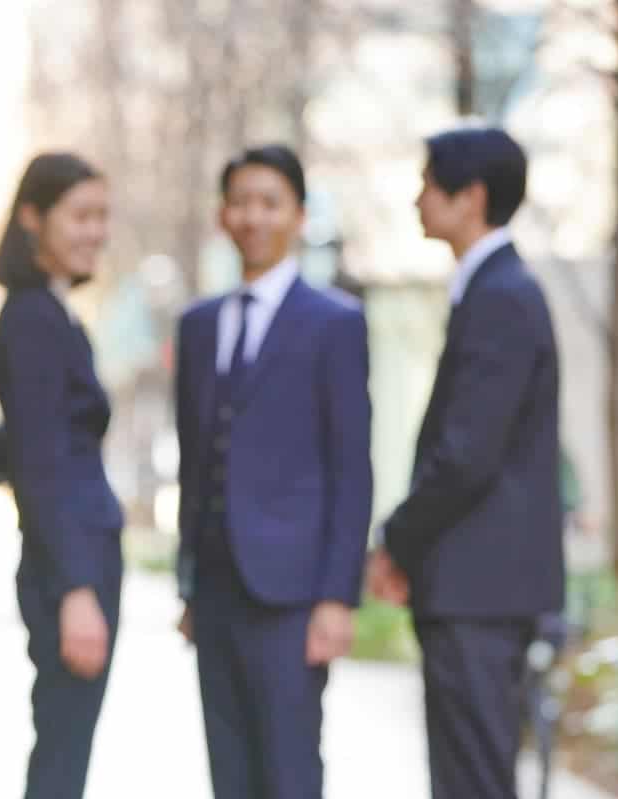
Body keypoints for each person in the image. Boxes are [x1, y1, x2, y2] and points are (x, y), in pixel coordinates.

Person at [367, 126, 565, 799]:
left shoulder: (502, 295)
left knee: (473, 781)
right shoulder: (491, 290)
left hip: (481, 591)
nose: (418, 197)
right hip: (478, 587)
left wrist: (395, 537)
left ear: (471, 196)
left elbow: (466, 455)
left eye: (429, 182)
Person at [173, 144, 372, 799]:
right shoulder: (199, 326)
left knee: (288, 772)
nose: (253, 216)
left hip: (292, 596)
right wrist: (191, 582)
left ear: (299, 215)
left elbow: (351, 468)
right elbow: (195, 459)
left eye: (270, 202)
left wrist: (337, 597)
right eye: (241, 202)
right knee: (228, 774)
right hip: (218, 591)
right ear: (223, 216)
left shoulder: (335, 322)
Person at [0, 152, 122, 799]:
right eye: (80, 215)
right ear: (32, 219)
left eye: (102, 216)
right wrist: (77, 588)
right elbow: (44, 461)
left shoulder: (43, 312)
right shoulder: (34, 318)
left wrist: (3, 466)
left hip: (71, 553)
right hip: (71, 562)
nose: (95, 230)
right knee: (63, 756)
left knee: (64, 744)